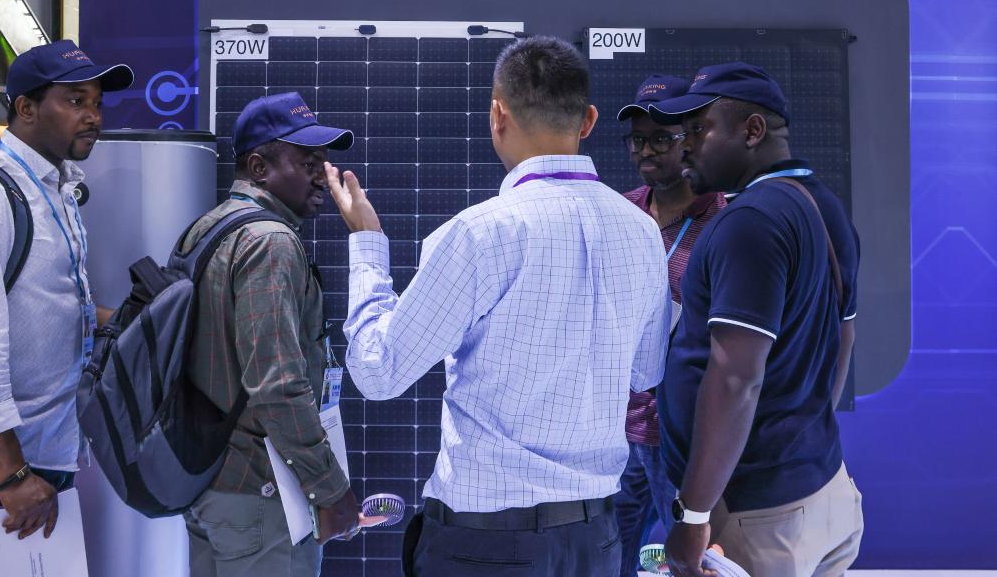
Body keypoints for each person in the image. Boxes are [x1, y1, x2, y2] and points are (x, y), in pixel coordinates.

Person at [325, 36, 672, 576]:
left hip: (486, 544)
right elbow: (646, 372)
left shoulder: (479, 234)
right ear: (588, 120)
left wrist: (367, 243)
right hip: (595, 542)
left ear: (497, 116)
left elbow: (379, 372)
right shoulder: (643, 233)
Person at [652, 63, 863, 577]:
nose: (684, 147)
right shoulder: (823, 204)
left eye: (698, 129)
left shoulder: (749, 221)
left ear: (752, 131)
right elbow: (844, 334)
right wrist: (799, 439)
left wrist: (693, 515)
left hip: (757, 520)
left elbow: (735, 378)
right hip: (821, 492)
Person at [180, 92, 360, 577]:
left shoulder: (207, 229)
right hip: (261, 495)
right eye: (307, 163)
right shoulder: (271, 242)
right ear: (259, 167)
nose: (322, 176)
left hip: (211, 482)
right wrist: (329, 488)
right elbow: (277, 385)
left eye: (322, 162)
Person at [0, 40, 133, 537]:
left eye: (97, 103)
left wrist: (140, 320)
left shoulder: (55, 188)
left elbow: (51, 306)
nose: (93, 117)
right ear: (26, 108)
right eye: (75, 101)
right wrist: (12, 473)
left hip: (46, 452)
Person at [613, 75, 726, 577]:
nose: (646, 150)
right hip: (611, 429)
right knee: (603, 561)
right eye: (638, 139)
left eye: (661, 138)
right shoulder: (618, 213)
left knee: (691, 564)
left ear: (692, 139)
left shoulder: (722, 221)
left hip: (680, 434)